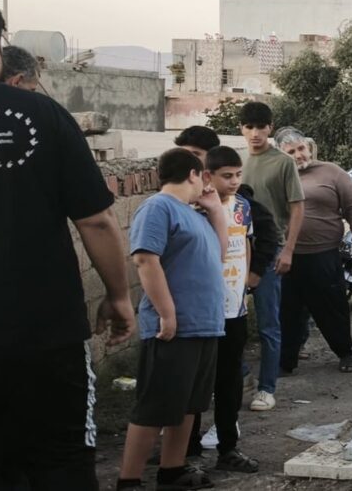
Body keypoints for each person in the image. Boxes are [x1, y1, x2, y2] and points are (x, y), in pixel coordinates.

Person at [0, 0, 133, 491]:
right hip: (43, 336)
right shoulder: (42, 115)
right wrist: (119, 295)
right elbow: (98, 222)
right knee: (58, 461)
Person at [117, 149, 228, 491]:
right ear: (195, 174)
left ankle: (172, 469)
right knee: (156, 404)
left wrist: (216, 212)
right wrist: (167, 313)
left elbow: (219, 254)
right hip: (174, 327)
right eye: (203, 177)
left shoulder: (195, 214)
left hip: (204, 324)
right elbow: (145, 260)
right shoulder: (158, 207)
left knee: (188, 405)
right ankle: (129, 479)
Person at [185, 146, 261, 474]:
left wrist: (244, 284)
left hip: (234, 308)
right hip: (201, 311)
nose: (234, 181)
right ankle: (186, 451)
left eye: (238, 175)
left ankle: (228, 447)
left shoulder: (243, 206)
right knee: (195, 382)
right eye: (226, 176)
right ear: (208, 177)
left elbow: (244, 241)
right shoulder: (195, 208)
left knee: (229, 382)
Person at [276, 127, 352, 374]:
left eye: (300, 148)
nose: (298, 155)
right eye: (290, 151)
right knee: (288, 311)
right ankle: (287, 361)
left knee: (332, 307)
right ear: (281, 154)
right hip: (288, 256)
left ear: (309, 146)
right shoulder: (278, 176)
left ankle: (345, 353)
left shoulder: (332, 172)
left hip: (324, 255)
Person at [238, 101, 305, 412]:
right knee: (228, 321)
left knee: (268, 321)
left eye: (260, 127)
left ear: (270, 128)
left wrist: (289, 249)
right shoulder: (237, 163)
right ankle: (242, 376)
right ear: (242, 129)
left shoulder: (283, 162)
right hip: (238, 251)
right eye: (249, 127)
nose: (254, 133)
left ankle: (267, 388)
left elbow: (297, 207)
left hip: (272, 248)